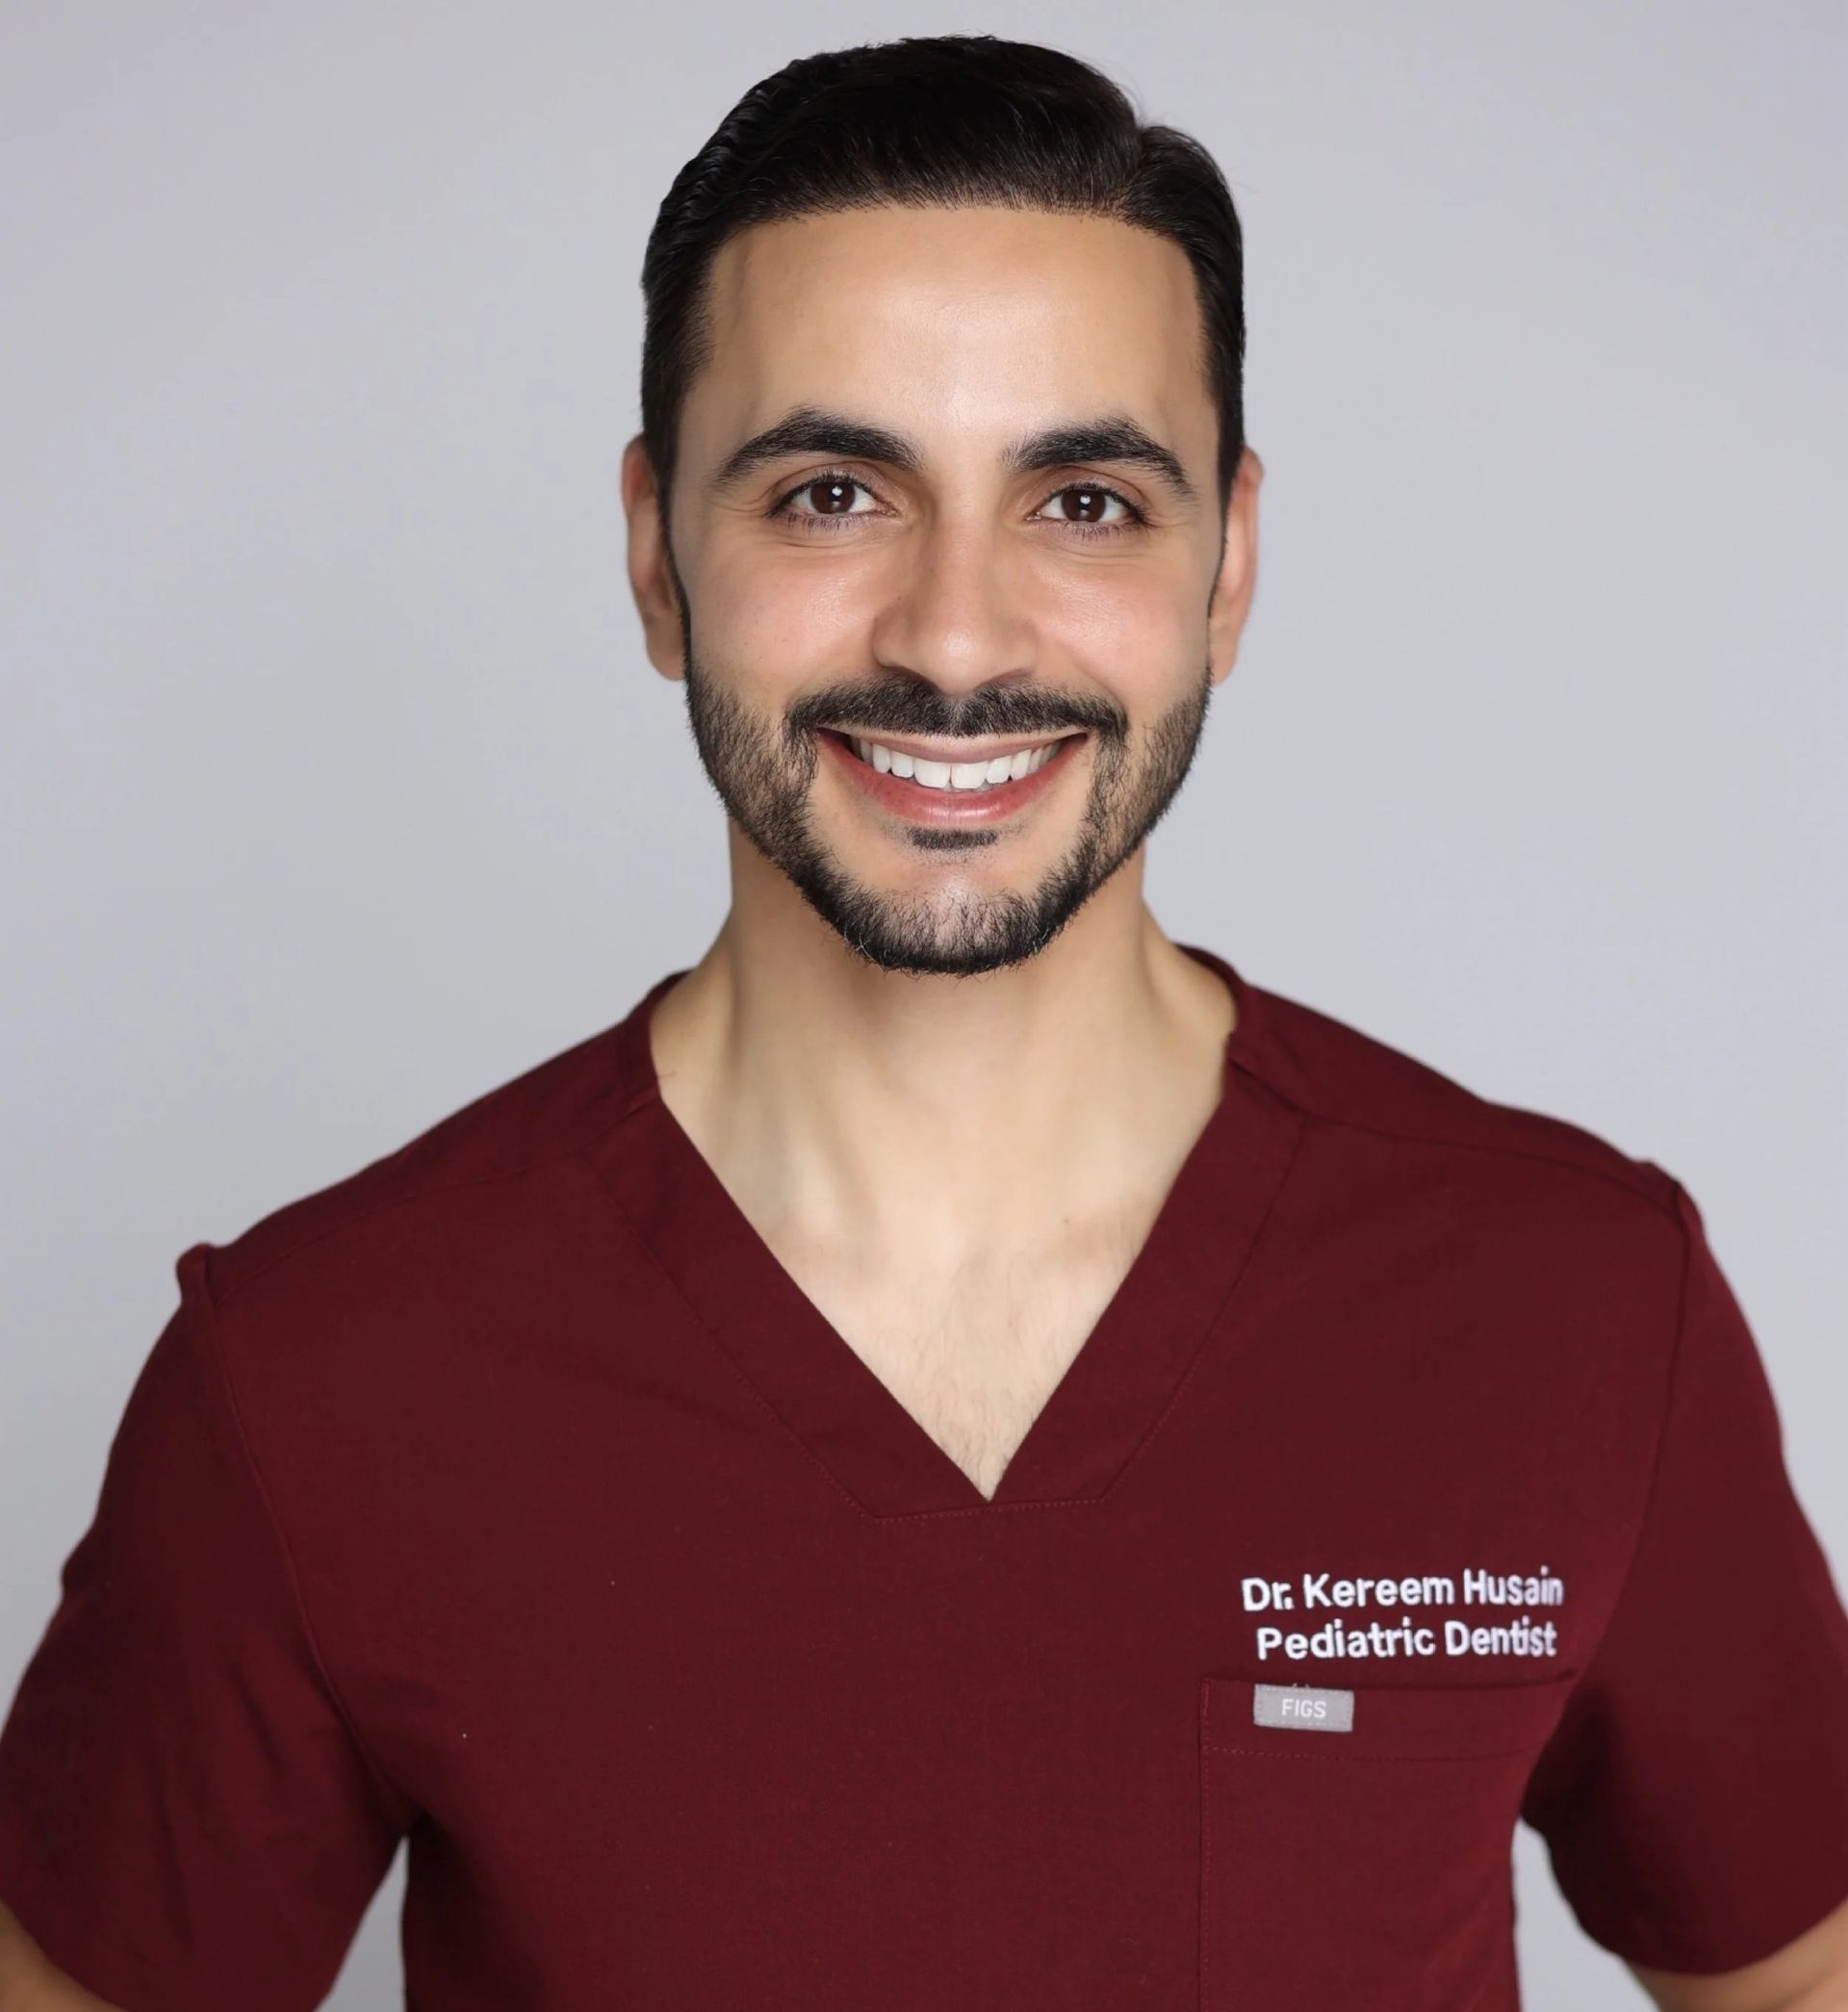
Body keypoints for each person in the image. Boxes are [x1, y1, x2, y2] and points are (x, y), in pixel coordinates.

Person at [2, 32, 1845, 2012]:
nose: (955, 636)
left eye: (1085, 503)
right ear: (652, 555)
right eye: (829, 491)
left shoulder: (1575, 1307)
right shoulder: (314, 1381)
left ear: (1229, 564)